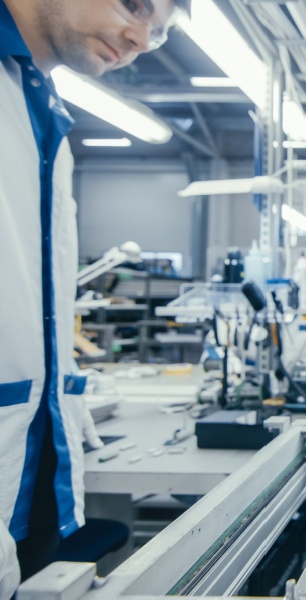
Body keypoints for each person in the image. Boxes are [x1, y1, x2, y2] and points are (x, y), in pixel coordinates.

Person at [0, 0, 188, 595]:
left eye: (157, 34)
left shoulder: (42, 107)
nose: (138, 37)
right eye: (134, 5)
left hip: (33, 477)